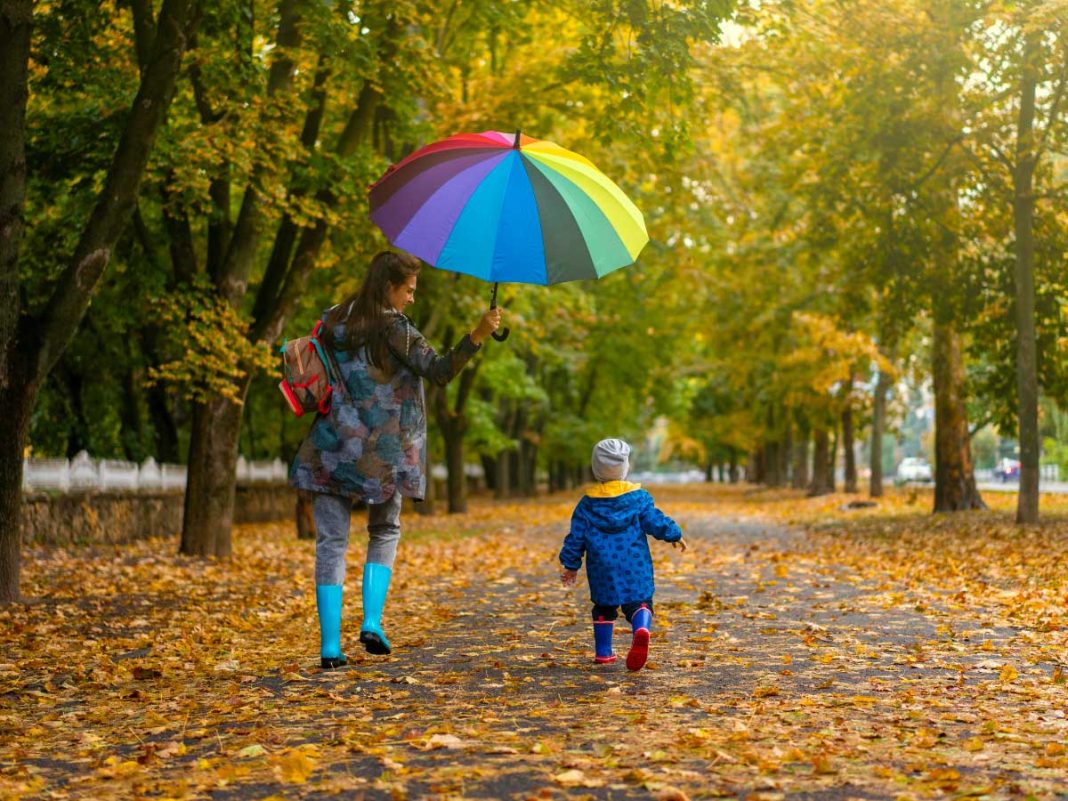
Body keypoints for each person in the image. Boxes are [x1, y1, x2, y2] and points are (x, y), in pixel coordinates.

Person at [290, 250, 502, 669]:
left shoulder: (334, 319)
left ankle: (330, 647)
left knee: (331, 542)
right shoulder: (395, 328)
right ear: (389, 287)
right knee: (384, 529)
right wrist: (477, 335)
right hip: (384, 455)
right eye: (408, 290)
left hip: (330, 449)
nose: (411, 298)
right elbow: (439, 370)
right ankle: (371, 622)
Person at [559, 438, 686, 671]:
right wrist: (674, 534)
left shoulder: (587, 504)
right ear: (625, 466)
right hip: (635, 564)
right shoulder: (638, 498)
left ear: (596, 468)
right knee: (639, 602)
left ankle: (603, 652)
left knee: (603, 607)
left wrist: (570, 565)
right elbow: (655, 521)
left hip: (602, 567)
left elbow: (576, 537)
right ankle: (641, 627)